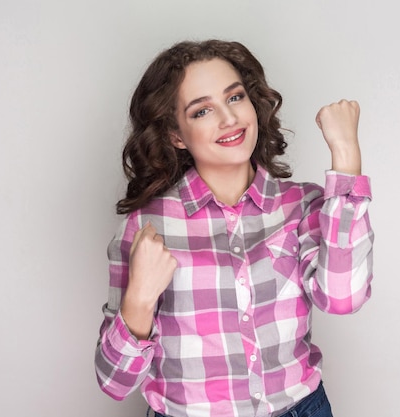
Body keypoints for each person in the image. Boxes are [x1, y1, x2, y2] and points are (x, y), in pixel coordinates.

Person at [94, 39, 374, 417]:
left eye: (235, 97)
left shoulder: (301, 205)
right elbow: (114, 382)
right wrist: (139, 301)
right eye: (202, 111)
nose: (228, 119)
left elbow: (344, 298)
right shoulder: (146, 226)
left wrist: (346, 158)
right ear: (175, 135)